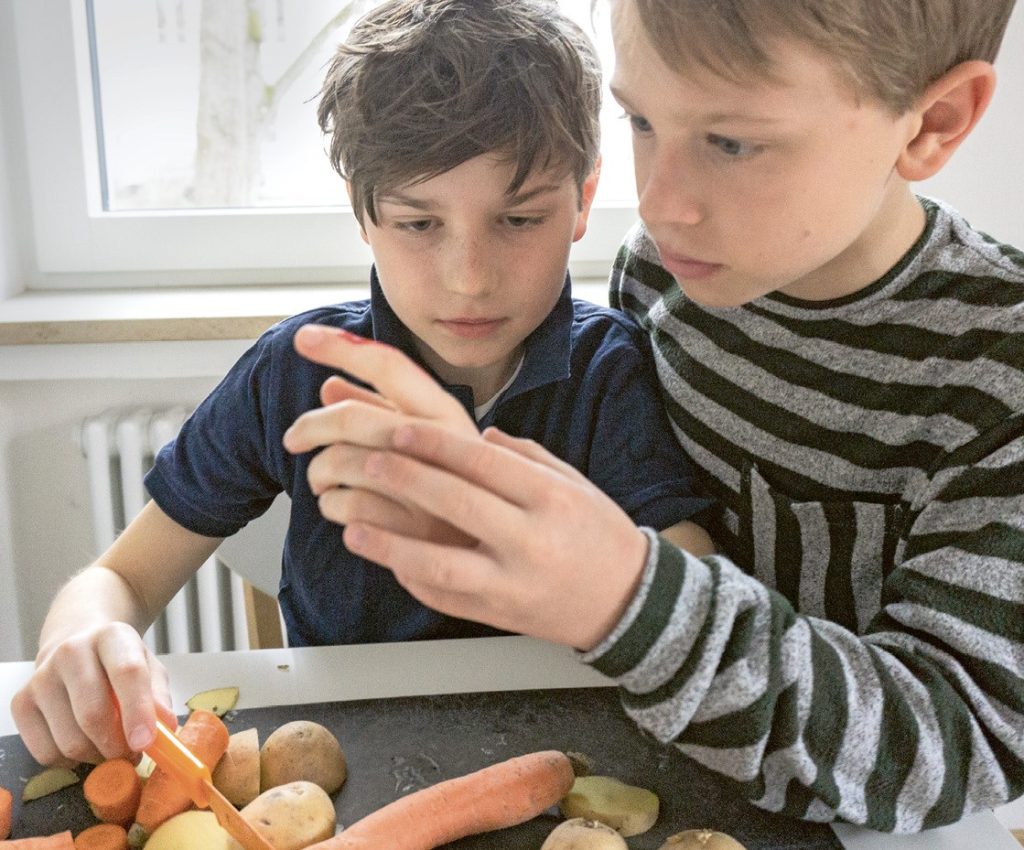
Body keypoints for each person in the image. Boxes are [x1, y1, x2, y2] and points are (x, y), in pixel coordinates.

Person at [280, 0, 1024, 834]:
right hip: (657, 793)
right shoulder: (667, 278)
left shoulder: (1004, 372)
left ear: (933, 122)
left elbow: (949, 749)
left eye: (732, 142)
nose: (661, 203)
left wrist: (629, 597)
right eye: (640, 120)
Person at [10, 0, 715, 768]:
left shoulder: (611, 369)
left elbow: (690, 589)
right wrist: (83, 636)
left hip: (562, 750)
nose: (469, 279)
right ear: (361, 211)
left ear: (581, 201)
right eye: (419, 224)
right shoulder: (298, 368)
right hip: (338, 761)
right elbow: (123, 577)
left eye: (518, 221)